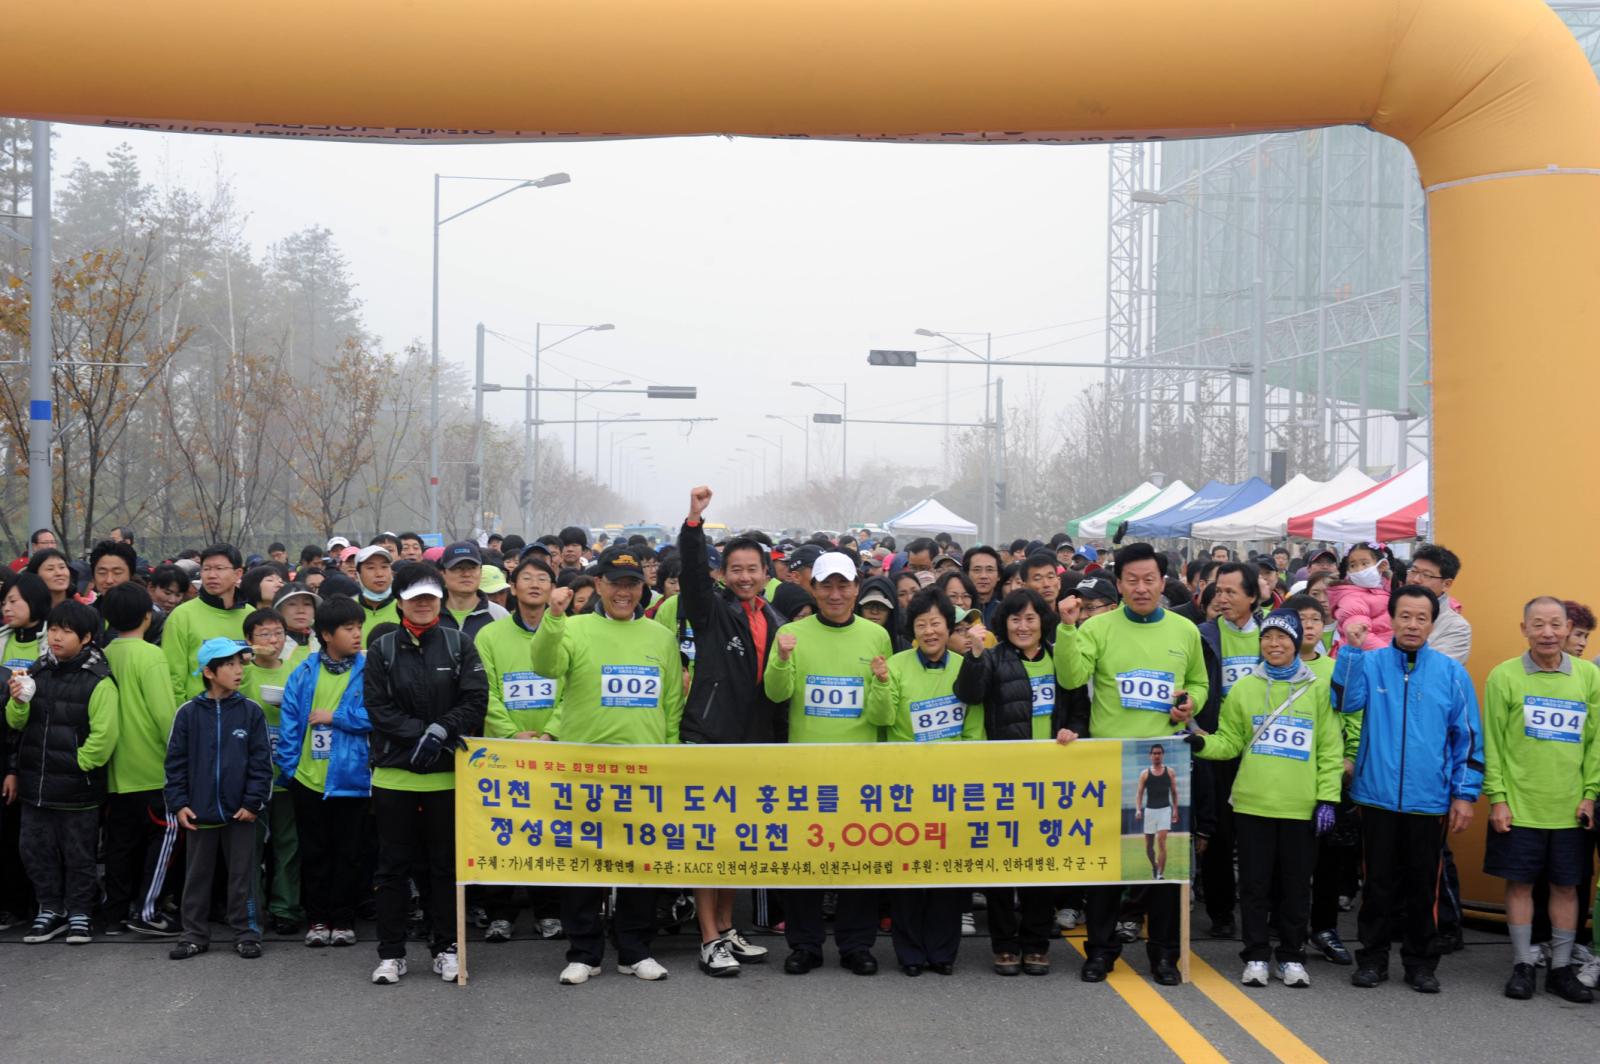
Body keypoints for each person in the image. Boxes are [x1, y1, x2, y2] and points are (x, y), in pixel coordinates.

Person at [1055, 542, 1208, 986]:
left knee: (1163, 868)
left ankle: (1164, 955)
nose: (1141, 588)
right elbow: (1071, 677)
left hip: (1168, 759)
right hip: (1112, 760)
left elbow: (1198, 682)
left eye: (1150, 580)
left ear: (1164, 582)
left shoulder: (1184, 631)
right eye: (1132, 580)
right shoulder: (1098, 628)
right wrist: (1067, 628)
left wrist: (1190, 701)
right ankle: (1101, 951)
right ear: (1118, 584)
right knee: (1108, 867)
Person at [532, 545, 686, 985]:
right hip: (584, 769)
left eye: (632, 585)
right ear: (597, 584)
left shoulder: (660, 636)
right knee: (583, 862)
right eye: (615, 584)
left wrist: (670, 756)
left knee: (640, 863)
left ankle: (635, 949)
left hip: (644, 772)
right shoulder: (574, 627)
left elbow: (671, 703)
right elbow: (543, 666)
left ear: (643, 588)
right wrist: (554, 616)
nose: (624, 592)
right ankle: (584, 951)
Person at [1334, 585, 1483, 993]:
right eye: (1405, 616)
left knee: (1423, 887)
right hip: (1375, 796)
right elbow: (1345, 703)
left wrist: (1464, 794)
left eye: (1421, 618)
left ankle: (1421, 962)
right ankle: (1373, 959)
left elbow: (1467, 739)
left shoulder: (1452, 674)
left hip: (1429, 800)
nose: (1413, 625)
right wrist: (1350, 650)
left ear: (1432, 623)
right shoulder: (1372, 662)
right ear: (1393, 619)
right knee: (1377, 884)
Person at [1190, 609, 1342, 989]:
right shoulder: (1244, 689)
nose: (1274, 645)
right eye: (1267, 638)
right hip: (1252, 804)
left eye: (1282, 638)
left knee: (1295, 887)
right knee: (1255, 887)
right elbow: (1229, 742)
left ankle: (1292, 957)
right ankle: (1256, 955)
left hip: (1299, 806)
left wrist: (1328, 798)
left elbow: (1329, 748)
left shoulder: (1318, 689)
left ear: (1296, 642)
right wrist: (1199, 741)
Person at [765, 550, 892, 977]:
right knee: (805, 858)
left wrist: (879, 683)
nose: (836, 594)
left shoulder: (876, 637)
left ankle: (857, 944)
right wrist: (782, 658)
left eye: (844, 585)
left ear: (857, 587)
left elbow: (882, 712)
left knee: (859, 859)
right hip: (806, 769)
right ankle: (805, 944)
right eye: (826, 585)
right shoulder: (793, 633)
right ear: (812, 588)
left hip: (860, 770)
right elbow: (777, 694)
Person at [676, 487, 782, 977]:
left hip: (754, 743)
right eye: (735, 569)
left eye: (752, 569)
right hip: (711, 737)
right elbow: (695, 578)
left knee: (738, 840)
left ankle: (727, 926)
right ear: (723, 573)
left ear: (766, 574)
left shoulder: (774, 618)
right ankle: (708, 937)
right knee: (707, 841)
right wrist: (694, 524)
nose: (744, 576)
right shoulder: (712, 609)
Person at [366, 563, 487, 986]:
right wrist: (419, 734)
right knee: (393, 867)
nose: (423, 603)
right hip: (393, 776)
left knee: (443, 866)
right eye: (415, 596)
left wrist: (441, 730)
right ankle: (391, 952)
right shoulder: (382, 648)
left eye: (430, 596)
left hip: (447, 777)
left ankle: (446, 948)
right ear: (399, 601)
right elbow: (377, 708)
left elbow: (475, 700)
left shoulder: (459, 644)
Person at [955, 587, 1083, 977]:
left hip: (1049, 780)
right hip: (1003, 779)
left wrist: (1072, 730)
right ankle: (1005, 945)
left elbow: (1078, 707)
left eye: (1030, 618)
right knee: (1000, 864)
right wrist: (975, 655)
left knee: (1040, 864)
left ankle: (1036, 943)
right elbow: (969, 693)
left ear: (1042, 621)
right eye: (1015, 619)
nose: (1023, 626)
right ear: (1003, 623)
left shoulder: (1059, 660)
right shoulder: (992, 658)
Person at [1481, 596, 1599, 1002]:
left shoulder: (1588, 676)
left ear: (1568, 629)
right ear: (1524, 629)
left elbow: (1595, 743)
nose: (1547, 633)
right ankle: (1523, 965)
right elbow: (1492, 743)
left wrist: (1590, 794)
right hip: (1519, 806)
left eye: (1555, 624)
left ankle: (1562, 969)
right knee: (1520, 884)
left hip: (1570, 809)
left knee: (1568, 888)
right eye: (1538, 625)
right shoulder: (1504, 676)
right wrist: (1497, 797)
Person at [881, 588, 982, 976]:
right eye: (921, 624)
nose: (929, 631)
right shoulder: (896, 664)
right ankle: (909, 953)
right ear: (912, 630)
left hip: (952, 786)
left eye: (936, 623)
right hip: (906, 785)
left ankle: (942, 952)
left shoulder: (965, 666)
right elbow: (884, 720)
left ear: (948, 627)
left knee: (947, 871)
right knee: (907, 872)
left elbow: (974, 726)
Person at [8, 601, 120, 945]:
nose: (56, 637)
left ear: (86, 638)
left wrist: (77, 764)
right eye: (53, 629)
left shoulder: (97, 679)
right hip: (36, 786)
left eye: (66, 631)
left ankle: (80, 912)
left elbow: (104, 737)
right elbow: (16, 724)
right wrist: (18, 702)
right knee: (34, 849)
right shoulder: (38, 671)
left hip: (77, 789)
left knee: (79, 853)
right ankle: (50, 908)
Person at [164, 638, 272, 960]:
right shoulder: (188, 714)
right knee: (196, 877)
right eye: (229, 664)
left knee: (244, 877)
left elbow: (262, 762)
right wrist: (179, 803)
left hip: (242, 813)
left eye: (241, 663)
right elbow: (174, 763)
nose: (239, 670)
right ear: (209, 672)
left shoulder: (251, 712)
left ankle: (248, 932)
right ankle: (194, 934)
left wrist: (253, 803)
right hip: (199, 812)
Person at [475, 553, 564, 943]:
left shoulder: (569, 631)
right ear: (512, 588)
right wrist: (512, 735)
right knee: (504, 830)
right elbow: (486, 693)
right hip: (504, 753)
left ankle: (549, 910)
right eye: (526, 578)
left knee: (551, 831)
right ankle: (500, 912)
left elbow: (574, 690)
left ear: (552, 588)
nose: (534, 584)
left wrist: (551, 734)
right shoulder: (489, 637)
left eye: (542, 578)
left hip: (555, 751)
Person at [275, 594, 371, 950]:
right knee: (314, 853)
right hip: (308, 780)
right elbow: (289, 724)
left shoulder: (369, 670)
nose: (357, 634)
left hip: (352, 780)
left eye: (359, 626)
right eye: (349, 628)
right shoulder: (303, 672)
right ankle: (317, 919)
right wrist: (291, 769)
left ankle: (343, 920)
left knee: (349, 853)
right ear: (326, 635)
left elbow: (379, 715)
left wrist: (338, 717)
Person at [98, 582, 182, 938]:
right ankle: (147, 910)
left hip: (115, 772)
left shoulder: (102, 653)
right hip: (153, 769)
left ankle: (115, 912)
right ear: (148, 616)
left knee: (119, 845)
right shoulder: (151, 656)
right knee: (164, 841)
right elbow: (166, 716)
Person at [1194, 561, 1262, 940]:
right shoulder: (1202, 636)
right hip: (1218, 745)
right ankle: (1221, 912)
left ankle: (1260, 909)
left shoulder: (1271, 635)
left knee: (1257, 836)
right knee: (1217, 833)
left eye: (1231, 592)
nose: (1221, 598)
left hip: (1262, 750)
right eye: (1218, 590)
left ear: (1253, 596)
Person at [241, 606, 304, 935]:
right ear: (249, 640)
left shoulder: (296, 668)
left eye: (278, 633)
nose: (273, 640)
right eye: (263, 634)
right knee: (249, 847)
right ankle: (252, 908)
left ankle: (286, 907)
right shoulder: (242, 671)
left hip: (287, 771)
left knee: (288, 844)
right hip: (251, 776)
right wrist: (248, 658)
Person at [163, 543, 248, 703]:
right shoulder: (182, 616)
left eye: (219, 568)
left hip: (243, 715)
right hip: (199, 714)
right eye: (206, 569)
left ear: (238, 573)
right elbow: (174, 676)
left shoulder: (250, 616)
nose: (211, 575)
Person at [1411, 544, 1471, 665]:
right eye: (1413, 571)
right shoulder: (1390, 609)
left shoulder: (1457, 627)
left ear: (1446, 584)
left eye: (1426, 575)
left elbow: (1437, 672)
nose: (1415, 579)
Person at [1327, 543, 1393, 651]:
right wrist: (1390, 657)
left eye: (1364, 563)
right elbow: (1360, 636)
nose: (1359, 569)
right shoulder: (1350, 598)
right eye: (1353, 565)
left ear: (1382, 566)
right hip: (1369, 659)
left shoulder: (1387, 589)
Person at [1136, 744, 1179, 880]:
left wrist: (1175, 810)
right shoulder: (1145, 774)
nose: (1157, 756)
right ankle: (1154, 866)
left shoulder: (1170, 772)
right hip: (1150, 811)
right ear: (1150, 755)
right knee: (1149, 846)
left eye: (1159, 753)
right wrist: (1138, 809)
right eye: (1154, 753)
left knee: (1161, 841)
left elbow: (1174, 792)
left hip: (1165, 810)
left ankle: (1160, 873)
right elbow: (1139, 794)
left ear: (1163, 755)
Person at [352, 545, 398, 644]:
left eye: (384, 567)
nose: (379, 574)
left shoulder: (405, 607)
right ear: (357, 575)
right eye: (371, 568)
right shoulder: (348, 609)